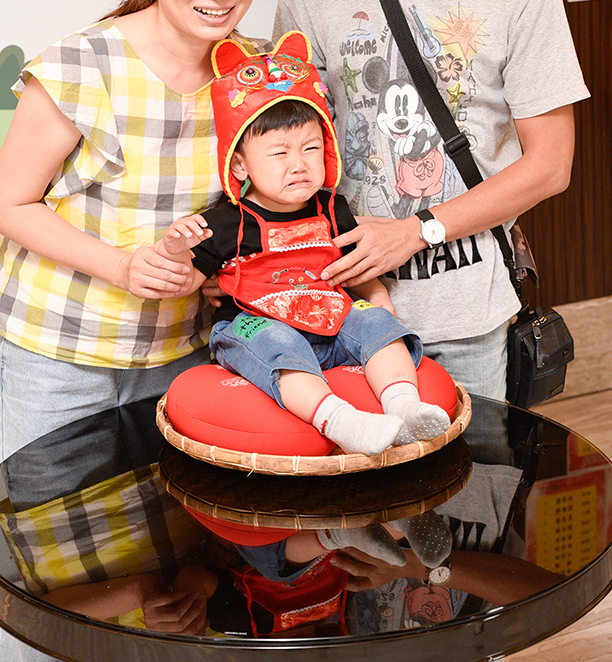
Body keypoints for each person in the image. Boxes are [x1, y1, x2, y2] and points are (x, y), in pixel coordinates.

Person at [0, 0, 268, 662]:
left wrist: (215, 269)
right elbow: (7, 200)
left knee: (166, 573)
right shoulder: (81, 66)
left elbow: (252, 207)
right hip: (57, 357)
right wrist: (120, 266)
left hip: (178, 358)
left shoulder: (251, 74)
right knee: (47, 579)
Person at [273, 0, 590, 401]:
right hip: (340, 312)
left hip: (469, 316)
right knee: (349, 467)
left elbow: (550, 165)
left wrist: (418, 231)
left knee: (470, 469)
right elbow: (283, 142)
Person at [154, 32, 451, 456]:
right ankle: (341, 421)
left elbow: (354, 270)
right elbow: (185, 283)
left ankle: (404, 405)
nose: (298, 164)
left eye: (311, 148)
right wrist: (174, 250)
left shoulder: (333, 209)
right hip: (256, 327)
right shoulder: (226, 222)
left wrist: (378, 297)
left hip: (332, 317)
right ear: (239, 164)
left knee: (376, 322)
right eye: (279, 154)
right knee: (278, 341)